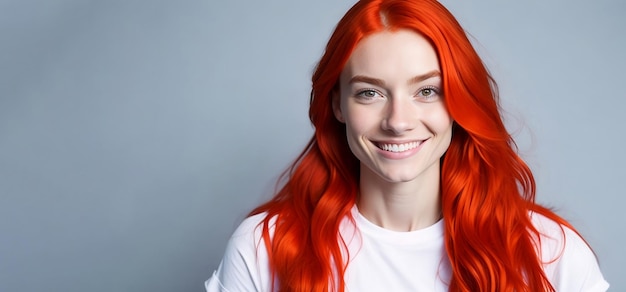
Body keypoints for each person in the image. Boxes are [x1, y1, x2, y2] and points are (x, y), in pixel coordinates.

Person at [205, 0, 609, 291]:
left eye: (427, 91)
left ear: (459, 101)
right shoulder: (265, 247)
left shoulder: (549, 253)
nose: (398, 121)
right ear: (337, 104)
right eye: (369, 93)